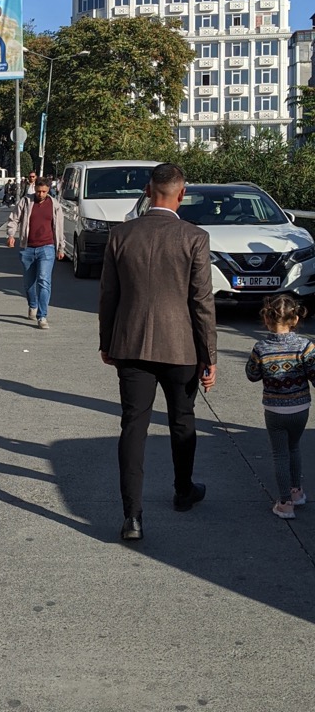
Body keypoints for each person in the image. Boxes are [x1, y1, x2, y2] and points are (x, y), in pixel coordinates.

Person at [98, 163, 217, 544]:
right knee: (182, 419)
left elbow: (109, 295)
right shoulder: (194, 237)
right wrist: (209, 355)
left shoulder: (121, 235)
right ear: (182, 194)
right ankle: (183, 491)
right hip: (181, 347)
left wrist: (107, 342)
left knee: (133, 425)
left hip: (130, 344)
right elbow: (201, 301)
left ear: (148, 191)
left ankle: (132, 516)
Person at [245, 293, 315, 519]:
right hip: (301, 407)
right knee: (294, 448)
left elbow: (252, 375)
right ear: (295, 319)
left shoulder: (261, 347)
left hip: (275, 410)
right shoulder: (305, 346)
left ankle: (285, 503)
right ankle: (297, 492)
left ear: (267, 319)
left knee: (280, 454)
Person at [6, 176, 64, 330]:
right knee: (29, 283)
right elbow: (14, 219)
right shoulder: (26, 202)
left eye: (44, 191)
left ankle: (42, 316)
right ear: (35, 189)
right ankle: (33, 304)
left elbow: (59, 227)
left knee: (44, 281)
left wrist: (61, 247)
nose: (41, 194)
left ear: (48, 190)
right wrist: (11, 235)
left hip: (47, 248)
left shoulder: (55, 205)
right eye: (39, 191)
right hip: (28, 248)